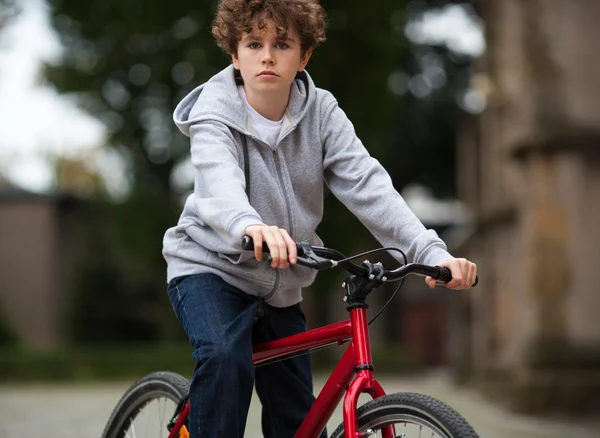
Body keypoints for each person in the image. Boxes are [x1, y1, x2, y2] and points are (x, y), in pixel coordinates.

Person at [162, 0, 477, 437]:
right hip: (210, 269)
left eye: (282, 43)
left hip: (280, 283)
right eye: (254, 43)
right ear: (235, 55)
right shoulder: (213, 115)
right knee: (223, 357)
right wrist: (251, 227)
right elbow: (219, 183)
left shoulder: (322, 113)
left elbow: (368, 185)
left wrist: (430, 250)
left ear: (304, 55)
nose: (268, 55)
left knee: (297, 419)